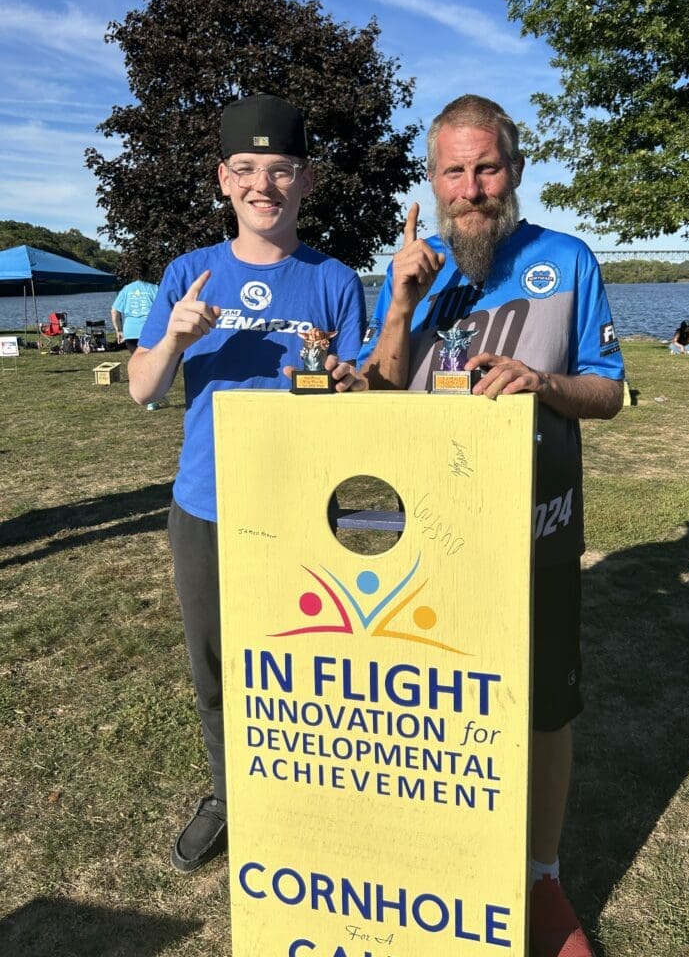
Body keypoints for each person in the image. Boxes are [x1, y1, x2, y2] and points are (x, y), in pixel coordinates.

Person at [357, 95, 625, 957]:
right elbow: (377, 394)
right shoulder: (414, 266)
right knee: (431, 709)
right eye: (453, 172)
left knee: (546, 711)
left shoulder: (567, 259)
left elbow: (609, 391)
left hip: (538, 528)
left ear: (514, 168)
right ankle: (441, 868)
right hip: (427, 542)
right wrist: (398, 305)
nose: (471, 189)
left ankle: (542, 878)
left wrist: (539, 381)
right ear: (432, 181)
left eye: (487, 167)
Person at [127, 94, 366, 874]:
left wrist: (339, 373)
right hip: (206, 507)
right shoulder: (188, 274)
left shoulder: (333, 279)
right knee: (217, 669)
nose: (265, 184)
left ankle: (307, 793)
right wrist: (173, 337)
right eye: (248, 170)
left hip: (304, 511)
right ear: (223, 179)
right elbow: (141, 389)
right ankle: (230, 794)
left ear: (307, 181)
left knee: (310, 664)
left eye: (283, 170)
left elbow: (361, 398)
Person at [111, 275, 159, 353]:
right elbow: (164, 309)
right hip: (149, 331)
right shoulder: (155, 288)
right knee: (151, 361)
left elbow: (114, 311)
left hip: (130, 332)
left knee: (137, 360)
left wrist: (119, 330)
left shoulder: (126, 289)